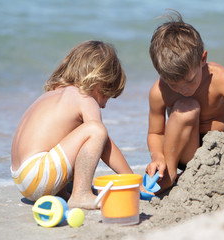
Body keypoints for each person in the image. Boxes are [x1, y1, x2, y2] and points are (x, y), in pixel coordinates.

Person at [11, 40, 134, 209]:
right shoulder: (84, 98)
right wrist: (130, 177)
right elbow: (103, 143)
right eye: (106, 94)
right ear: (98, 81)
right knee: (96, 130)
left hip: (21, 178)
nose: (104, 104)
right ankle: (81, 194)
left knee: (77, 134)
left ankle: (66, 192)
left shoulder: (53, 94)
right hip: (38, 175)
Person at [145, 10, 224, 194]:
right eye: (174, 84)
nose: (183, 89)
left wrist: (222, 151)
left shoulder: (221, 79)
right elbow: (155, 132)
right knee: (187, 106)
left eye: (189, 80)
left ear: (202, 59)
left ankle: (188, 176)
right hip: (182, 151)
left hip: (220, 146)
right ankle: (171, 174)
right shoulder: (159, 91)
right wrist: (158, 157)